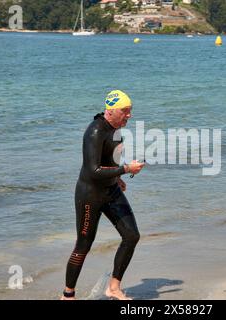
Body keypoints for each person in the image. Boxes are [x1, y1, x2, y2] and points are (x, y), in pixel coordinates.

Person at [61, 90, 145, 300]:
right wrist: (125, 169)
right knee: (84, 245)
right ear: (111, 111)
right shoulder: (95, 131)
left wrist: (116, 178)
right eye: (125, 111)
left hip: (111, 191)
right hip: (90, 196)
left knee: (131, 236)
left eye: (130, 111)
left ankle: (114, 288)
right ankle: (68, 295)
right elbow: (93, 171)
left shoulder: (116, 129)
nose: (129, 115)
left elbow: (109, 159)